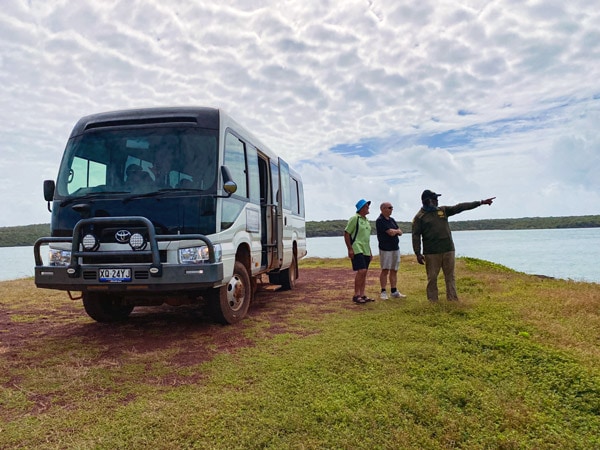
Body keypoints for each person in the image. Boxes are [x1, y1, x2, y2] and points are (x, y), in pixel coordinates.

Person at [412, 190, 495, 302]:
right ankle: (433, 301)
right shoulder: (419, 217)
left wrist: (480, 202)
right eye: (435, 199)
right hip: (431, 253)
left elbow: (460, 207)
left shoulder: (443, 210)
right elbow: (415, 236)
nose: (437, 201)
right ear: (428, 201)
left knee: (450, 277)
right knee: (432, 278)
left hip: (448, 249)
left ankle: (452, 299)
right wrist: (417, 253)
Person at [344, 199, 374, 304]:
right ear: (361, 208)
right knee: (361, 270)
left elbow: (366, 238)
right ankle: (356, 295)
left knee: (364, 272)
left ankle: (362, 294)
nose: (368, 208)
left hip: (365, 249)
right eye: (366, 206)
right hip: (357, 247)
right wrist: (350, 248)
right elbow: (347, 233)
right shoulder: (354, 219)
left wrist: (370, 251)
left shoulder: (366, 220)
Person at [376, 202, 406, 300]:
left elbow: (400, 232)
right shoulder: (380, 220)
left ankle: (394, 291)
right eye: (389, 208)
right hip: (385, 249)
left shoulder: (392, 220)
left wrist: (396, 231)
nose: (391, 209)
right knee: (385, 270)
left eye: (392, 208)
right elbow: (390, 233)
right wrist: (395, 231)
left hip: (395, 248)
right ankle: (383, 291)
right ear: (383, 209)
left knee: (394, 270)